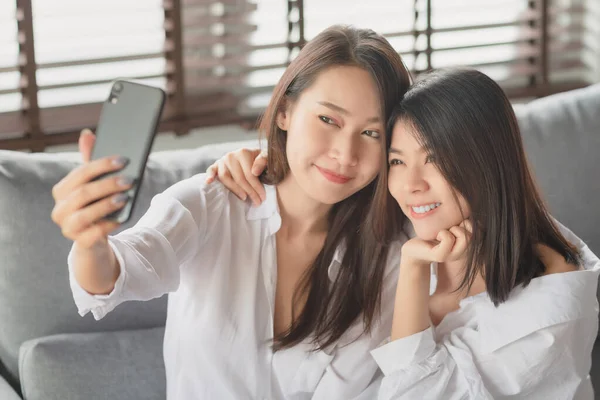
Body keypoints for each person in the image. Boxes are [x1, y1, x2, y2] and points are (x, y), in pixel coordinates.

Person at [50, 25, 412, 399]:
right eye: (329, 120)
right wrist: (91, 242)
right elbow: (119, 272)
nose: (345, 154)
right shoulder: (211, 204)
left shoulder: (389, 255)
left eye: (371, 134)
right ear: (285, 111)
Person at [209, 69, 600, 399]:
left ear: (487, 164)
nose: (411, 184)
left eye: (435, 160)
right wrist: (256, 163)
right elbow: (323, 180)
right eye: (397, 160)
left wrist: (413, 270)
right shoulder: (400, 221)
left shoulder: (552, 300)